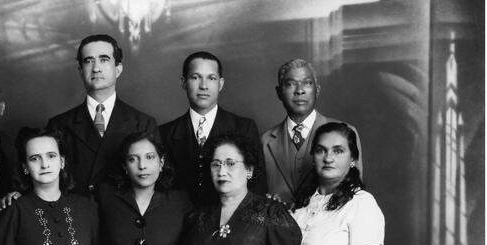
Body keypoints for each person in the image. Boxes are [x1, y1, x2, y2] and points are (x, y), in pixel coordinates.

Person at [46, 34, 160, 198]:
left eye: (104, 59)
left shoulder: (143, 123)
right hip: (77, 216)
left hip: (124, 217)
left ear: (118, 69)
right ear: (80, 71)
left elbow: (156, 183)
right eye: (88, 61)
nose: (96, 68)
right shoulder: (59, 125)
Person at [161, 51, 266, 206]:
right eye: (195, 77)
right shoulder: (164, 133)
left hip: (232, 223)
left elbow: (257, 186)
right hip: (179, 223)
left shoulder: (243, 127)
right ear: (183, 82)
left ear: (220, 84)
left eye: (211, 78)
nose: (203, 86)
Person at [261, 59, 363, 207]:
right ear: (279, 93)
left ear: (317, 90)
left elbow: (354, 193)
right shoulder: (264, 141)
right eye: (290, 84)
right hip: (278, 227)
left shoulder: (344, 132)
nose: (299, 90)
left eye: (307, 83)